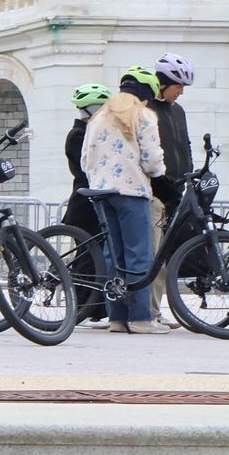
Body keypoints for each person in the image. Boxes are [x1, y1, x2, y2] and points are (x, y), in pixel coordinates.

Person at [82, 66, 168, 334]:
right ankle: (141, 319)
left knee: (113, 255)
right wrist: (160, 176)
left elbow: (87, 158)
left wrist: (99, 180)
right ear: (145, 94)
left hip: (100, 192)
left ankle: (117, 318)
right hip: (132, 192)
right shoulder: (143, 115)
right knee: (138, 255)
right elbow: (152, 160)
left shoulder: (98, 117)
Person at [145, 51, 196, 324]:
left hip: (176, 192)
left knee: (165, 255)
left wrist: (190, 175)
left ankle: (154, 311)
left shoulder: (178, 111)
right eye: (178, 87)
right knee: (154, 256)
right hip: (155, 192)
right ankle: (148, 313)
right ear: (163, 83)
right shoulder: (147, 110)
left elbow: (184, 145)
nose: (181, 93)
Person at [63, 84, 111, 326]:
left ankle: (96, 307)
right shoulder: (78, 134)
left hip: (93, 204)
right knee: (86, 259)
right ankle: (81, 306)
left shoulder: (90, 131)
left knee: (96, 257)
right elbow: (87, 168)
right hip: (83, 206)